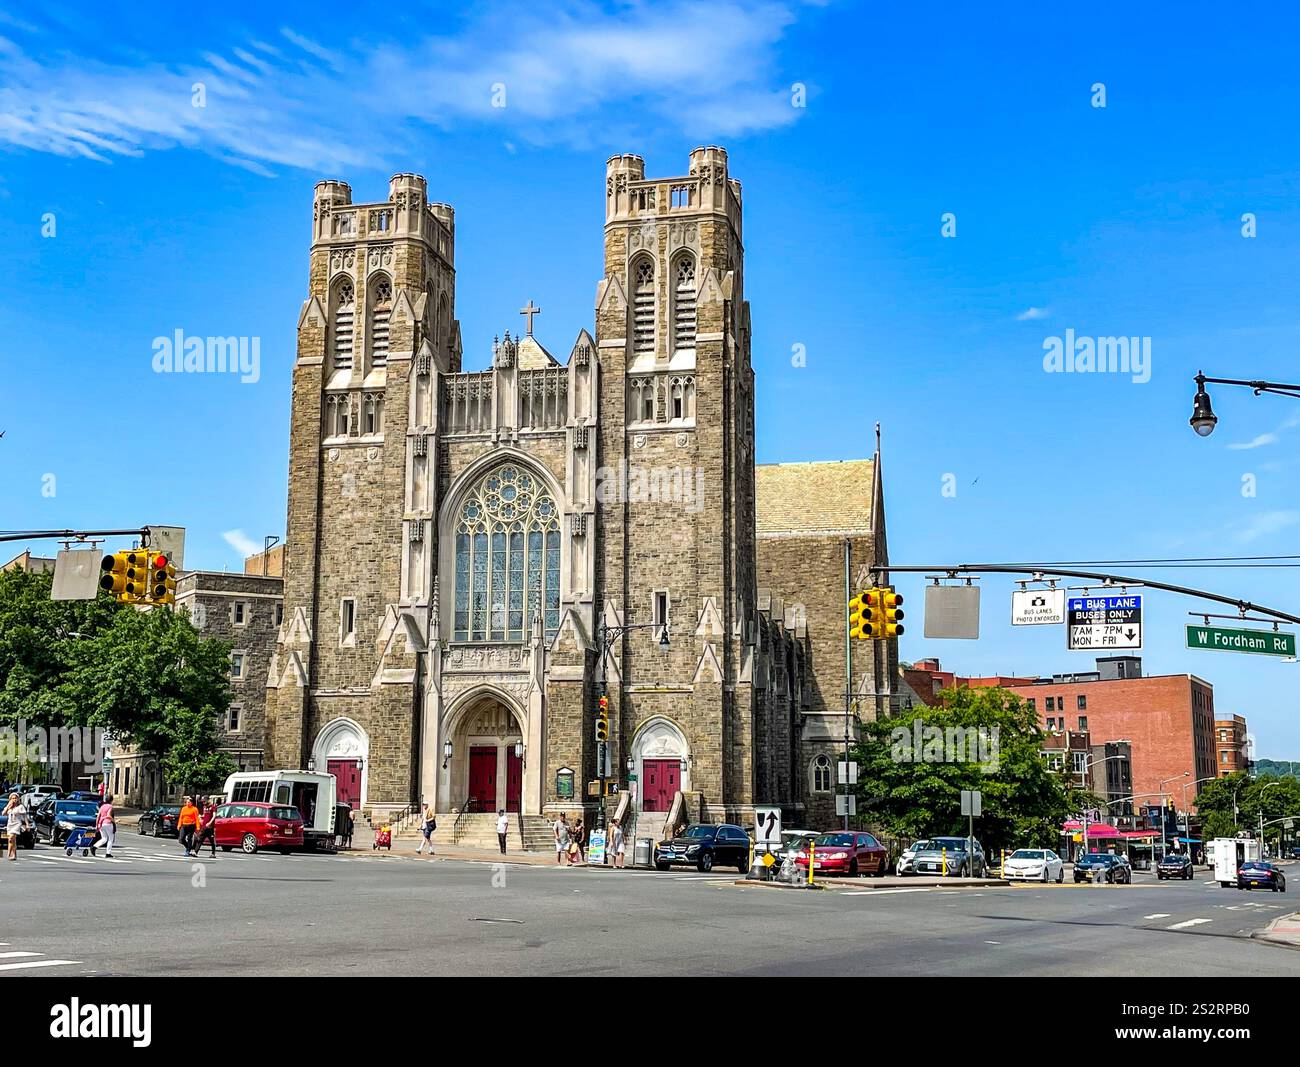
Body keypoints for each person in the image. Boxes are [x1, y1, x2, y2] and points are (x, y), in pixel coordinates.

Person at [5, 793, 30, 862]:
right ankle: (14, 854)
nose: (14, 800)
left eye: (15, 798)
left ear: (18, 799)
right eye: (12, 798)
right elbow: (3, 813)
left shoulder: (21, 807)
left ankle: (9, 854)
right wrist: (8, 806)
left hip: (17, 824)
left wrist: (27, 825)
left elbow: (25, 817)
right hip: (10, 824)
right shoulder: (9, 806)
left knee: (11, 838)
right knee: (12, 840)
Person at [95, 793, 116, 858]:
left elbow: (98, 816)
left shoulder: (102, 806)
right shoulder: (110, 807)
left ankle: (94, 846)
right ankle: (108, 853)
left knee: (104, 838)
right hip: (108, 823)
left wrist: (97, 825)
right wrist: (114, 821)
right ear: (111, 800)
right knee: (110, 839)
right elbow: (108, 815)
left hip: (101, 824)